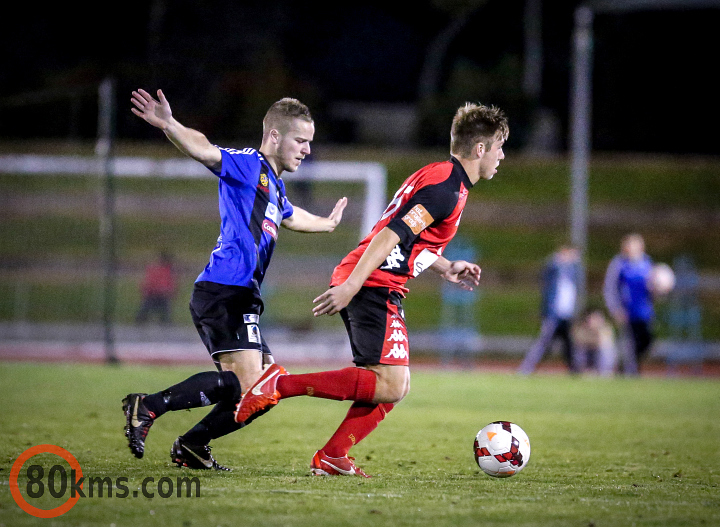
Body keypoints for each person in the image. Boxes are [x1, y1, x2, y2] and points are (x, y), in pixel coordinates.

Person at [235, 102, 508, 477]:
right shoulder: (446, 187)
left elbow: (412, 241)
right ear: (480, 149)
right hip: (372, 282)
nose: (501, 156)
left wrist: (446, 266)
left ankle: (332, 455)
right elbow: (390, 235)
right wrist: (351, 286)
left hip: (378, 282)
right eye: (499, 147)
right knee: (391, 384)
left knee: (394, 385)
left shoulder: (445, 178)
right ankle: (278, 386)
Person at [122, 88, 348, 470]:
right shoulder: (249, 164)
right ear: (275, 136)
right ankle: (149, 405)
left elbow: (291, 216)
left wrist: (326, 223)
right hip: (226, 288)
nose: (307, 150)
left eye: (310, 142)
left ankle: (192, 445)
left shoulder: (274, 185)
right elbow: (206, 149)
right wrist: (170, 124)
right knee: (249, 385)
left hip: (240, 293)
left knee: (267, 390)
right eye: (301, 140)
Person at [518, 245, 581, 375]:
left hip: (567, 315)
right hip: (553, 314)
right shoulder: (555, 267)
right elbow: (546, 271)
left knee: (569, 345)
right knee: (543, 343)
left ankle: (575, 371)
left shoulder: (572, 271)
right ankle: (526, 369)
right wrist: (558, 258)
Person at [603, 233, 655, 375]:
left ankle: (626, 367)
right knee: (630, 344)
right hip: (626, 312)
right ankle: (630, 372)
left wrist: (659, 289)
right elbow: (610, 288)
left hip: (644, 311)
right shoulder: (619, 264)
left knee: (646, 342)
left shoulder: (647, 263)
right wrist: (615, 309)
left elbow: (652, 287)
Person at [572, 306, 617, 376]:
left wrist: (596, 332)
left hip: (599, 353)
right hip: (588, 352)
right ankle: (583, 369)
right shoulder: (582, 327)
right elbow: (578, 340)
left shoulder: (606, 328)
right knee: (579, 349)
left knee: (605, 350)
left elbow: (602, 342)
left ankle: (605, 370)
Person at [135, 251, 177, 325]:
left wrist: (168, 291)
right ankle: (141, 319)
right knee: (145, 310)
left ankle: (164, 321)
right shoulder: (155, 269)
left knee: (165, 312)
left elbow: (170, 285)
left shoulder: (168, 271)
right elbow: (149, 283)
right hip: (152, 295)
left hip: (162, 296)